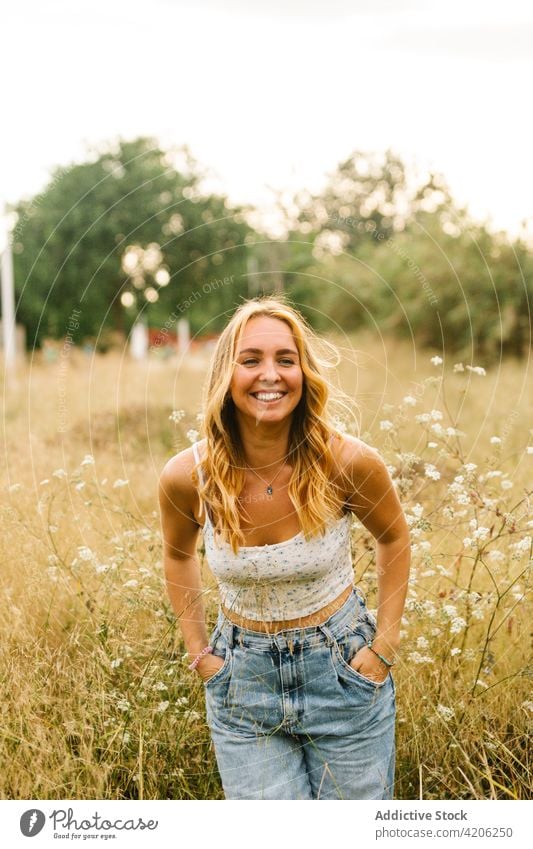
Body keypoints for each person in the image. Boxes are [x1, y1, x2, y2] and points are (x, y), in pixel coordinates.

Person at [158, 295, 410, 800]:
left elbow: (394, 538)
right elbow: (178, 554)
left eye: (285, 360)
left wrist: (384, 645)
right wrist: (199, 652)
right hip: (242, 683)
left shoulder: (349, 463)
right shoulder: (189, 475)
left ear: (304, 373)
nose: (269, 374)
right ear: (226, 374)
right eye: (251, 360)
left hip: (342, 673)